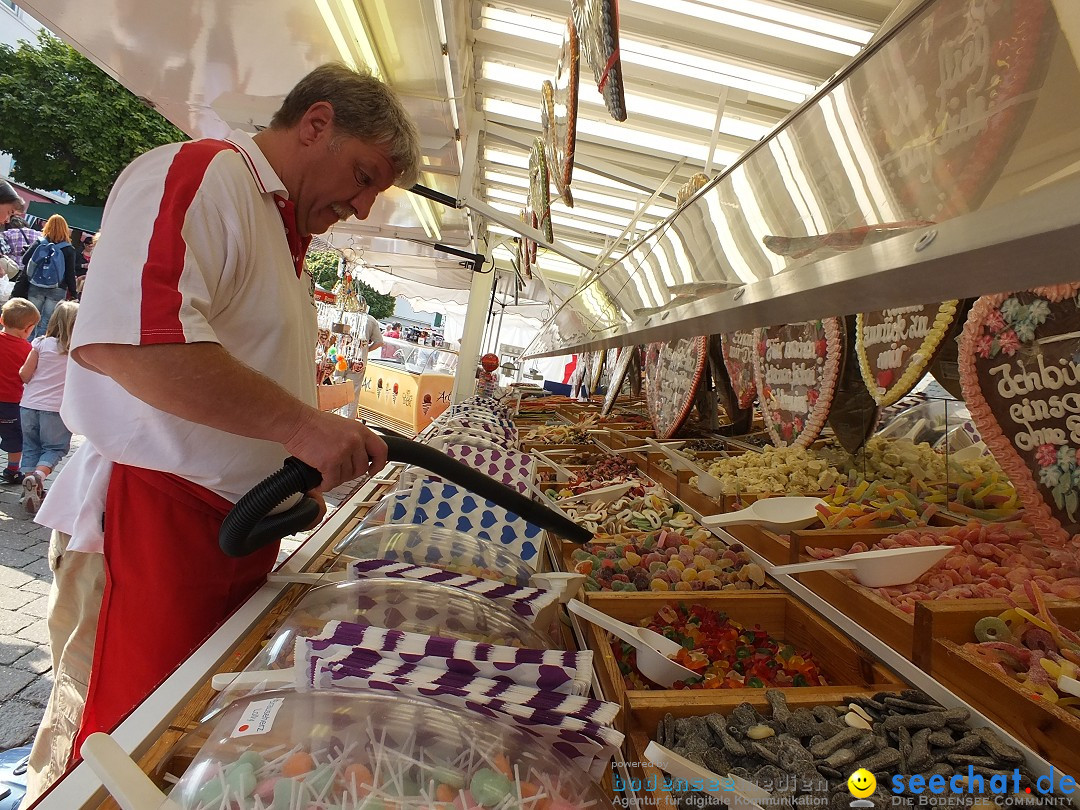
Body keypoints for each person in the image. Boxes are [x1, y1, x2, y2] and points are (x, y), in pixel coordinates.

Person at [24, 62, 421, 803]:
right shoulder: (202, 173)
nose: (363, 207)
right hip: (155, 520)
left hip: (234, 529)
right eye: (364, 177)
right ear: (315, 124)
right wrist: (303, 427)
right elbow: (132, 341)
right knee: (119, 749)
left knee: (180, 740)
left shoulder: (280, 227)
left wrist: (297, 449)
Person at [19, 301, 78, 513]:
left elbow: (24, 374)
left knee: (31, 447)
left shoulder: (40, 343)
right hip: (56, 409)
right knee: (54, 448)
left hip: (28, 405)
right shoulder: (75, 351)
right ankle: (38, 477)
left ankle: (32, 487)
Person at [0, 298, 40, 485]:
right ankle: (13, 470)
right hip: (12, 401)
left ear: (2, 320)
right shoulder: (28, 349)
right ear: (28, 328)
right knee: (15, 437)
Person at [21, 214, 78, 339]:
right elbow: (70, 273)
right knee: (47, 321)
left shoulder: (40, 243)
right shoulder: (69, 249)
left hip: (36, 285)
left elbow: (25, 260)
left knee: (31, 319)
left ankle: (27, 344)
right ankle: (38, 347)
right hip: (57, 288)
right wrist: (74, 292)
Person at [343, 296, 383, 419]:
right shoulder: (371, 320)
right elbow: (379, 342)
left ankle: (335, 417)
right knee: (353, 391)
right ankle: (347, 421)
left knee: (337, 386)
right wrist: (366, 350)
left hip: (341, 356)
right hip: (359, 360)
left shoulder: (345, 315)